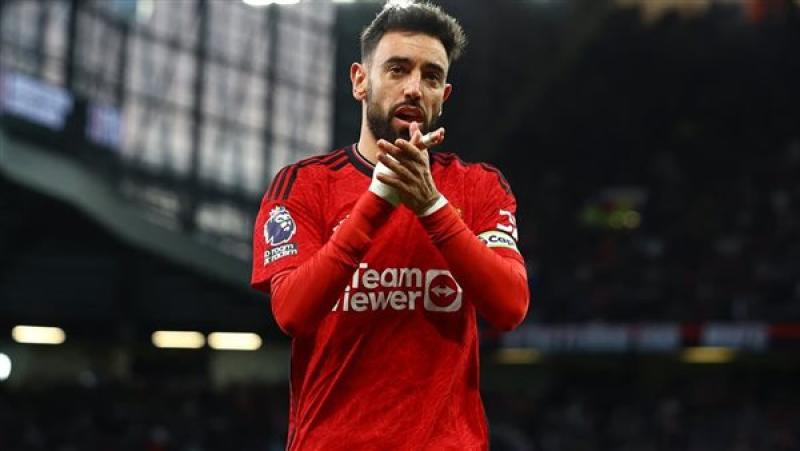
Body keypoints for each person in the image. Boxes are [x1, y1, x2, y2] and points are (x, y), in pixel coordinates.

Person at [251, 1, 529, 449]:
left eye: (431, 76)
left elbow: (510, 306)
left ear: (444, 95)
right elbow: (291, 313)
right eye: (398, 69)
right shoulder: (304, 185)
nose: (414, 88)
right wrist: (379, 198)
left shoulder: (479, 186)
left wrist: (431, 207)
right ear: (360, 80)